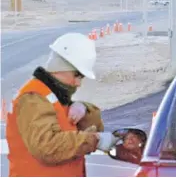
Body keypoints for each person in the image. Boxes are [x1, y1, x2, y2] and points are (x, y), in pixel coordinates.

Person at [6, 32, 120, 177]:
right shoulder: (33, 99)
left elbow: (95, 126)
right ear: (60, 67)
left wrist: (84, 110)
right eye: (77, 75)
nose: (78, 83)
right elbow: (47, 147)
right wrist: (94, 140)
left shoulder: (54, 98)